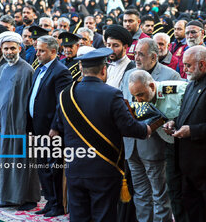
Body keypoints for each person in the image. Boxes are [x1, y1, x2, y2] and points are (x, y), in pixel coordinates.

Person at [56, 47, 151, 222]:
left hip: (75, 168)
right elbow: (129, 127)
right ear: (103, 69)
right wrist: (147, 129)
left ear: (81, 70)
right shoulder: (112, 94)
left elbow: (55, 130)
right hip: (104, 169)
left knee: (78, 217)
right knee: (104, 216)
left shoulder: (65, 95)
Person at [163, 45, 206, 221]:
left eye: (188, 65)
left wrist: (193, 131)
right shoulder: (192, 83)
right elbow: (186, 113)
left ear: (202, 64)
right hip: (187, 165)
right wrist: (174, 123)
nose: (184, 70)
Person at [120, 38, 180, 222]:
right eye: (135, 53)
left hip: (155, 145)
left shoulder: (171, 77)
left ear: (154, 56)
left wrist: (153, 125)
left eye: (141, 54)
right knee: (140, 194)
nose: (136, 57)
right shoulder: (129, 73)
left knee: (159, 195)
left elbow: (175, 111)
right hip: (132, 145)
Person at [0, 31, 40, 209]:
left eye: (12, 48)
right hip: (2, 126)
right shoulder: (1, 70)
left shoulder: (27, 70)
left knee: (21, 161)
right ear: (1, 49)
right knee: (3, 160)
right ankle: (6, 197)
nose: (9, 52)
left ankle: (26, 199)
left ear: (19, 48)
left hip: (19, 126)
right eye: (6, 48)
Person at [128, 70, 189, 222]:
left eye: (141, 95)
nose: (138, 100)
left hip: (190, 145)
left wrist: (176, 121)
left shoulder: (180, 89)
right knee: (172, 191)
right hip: (169, 145)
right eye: (135, 96)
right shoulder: (139, 97)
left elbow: (196, 109)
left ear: (152, 87)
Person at [27, 35, 72, 217]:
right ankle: (50, 202)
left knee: (53, 168)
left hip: (51, 130)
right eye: (37, 49)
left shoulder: (61, 71)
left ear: (53, 51)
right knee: (42, 168)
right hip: (37, 127)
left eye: (42, 50)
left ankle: (58, 205)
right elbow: (34, 98)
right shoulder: (39, 69)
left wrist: (55, 127)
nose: (37, 53)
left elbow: (61, 103)